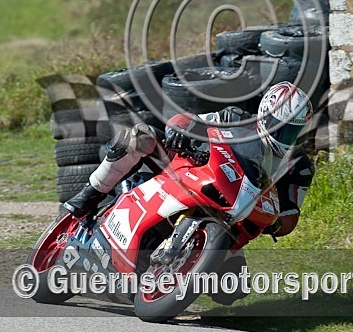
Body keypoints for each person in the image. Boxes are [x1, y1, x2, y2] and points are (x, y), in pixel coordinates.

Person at [64, 81, 315, 238]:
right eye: (283, 129)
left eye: (294, 132)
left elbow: (291, 213)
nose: (287, 138)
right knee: (141, 136)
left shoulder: (300, 168)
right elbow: (190, 120)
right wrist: (180, 130)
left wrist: (275, 224)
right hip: (194, 173)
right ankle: (90, 194)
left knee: (232, 287)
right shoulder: (235, 118)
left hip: (234, 218)